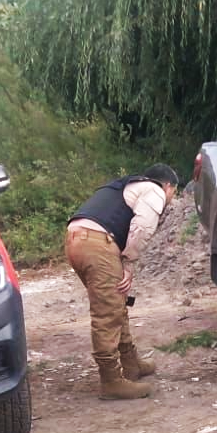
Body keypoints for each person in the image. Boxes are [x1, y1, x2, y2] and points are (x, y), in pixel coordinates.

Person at [65, 164, 179, 400]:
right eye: (174, 192)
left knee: (116, 302)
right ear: (168, 186)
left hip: (78, 241)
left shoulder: (126, 186)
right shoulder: (154, 190)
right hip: (97, 243)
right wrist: (128, 262)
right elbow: (142, 226)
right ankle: (111, 381)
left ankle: (130, 364)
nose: (172, 198)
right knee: (107, 312)